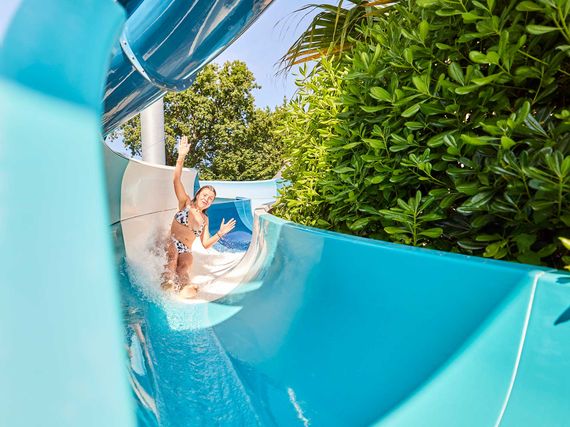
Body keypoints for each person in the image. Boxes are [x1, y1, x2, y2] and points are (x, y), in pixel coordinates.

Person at [161, 135, 236, 298]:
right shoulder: (185, 203)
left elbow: (206, 244)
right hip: (172, 240)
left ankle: (184, 288)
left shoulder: (205, 220)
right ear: (198, 194)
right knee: (173, 258)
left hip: (186, 248)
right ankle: (166, 283)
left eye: (210, 198)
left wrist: (220, 233)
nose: (207, 198)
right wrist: (181, 156)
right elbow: (176, 180)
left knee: (184, 267)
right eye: (205, 195)